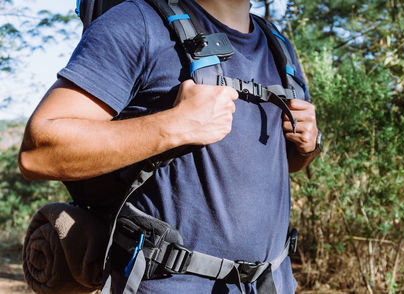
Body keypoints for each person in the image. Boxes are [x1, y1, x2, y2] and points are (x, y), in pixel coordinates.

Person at [18, 0, 320, 293]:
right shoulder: (138, 22)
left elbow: (256, 164)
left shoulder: (278, 46)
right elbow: (38, 153)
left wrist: (305, 151)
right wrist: (175, 125)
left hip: (273, 282)